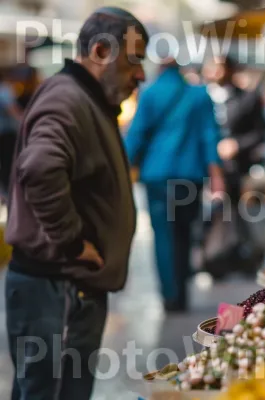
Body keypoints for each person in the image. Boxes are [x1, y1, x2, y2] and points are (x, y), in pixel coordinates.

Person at [4, 7, 147, 399]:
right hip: (57, 288)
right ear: (101, 51)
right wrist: (71, 242)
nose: (141, 74)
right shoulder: (68, 99)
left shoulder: (84, 98)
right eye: (133, 60)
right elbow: (39, 169)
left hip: (64, 290)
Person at [125, 58, 225, 312]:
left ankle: (170, 295)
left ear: (159, 70)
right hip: (189, 177)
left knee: (163, 236)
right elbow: (209, 136)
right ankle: (182, 292)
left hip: (157, 176)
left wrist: (121, 168)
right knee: (184, 233)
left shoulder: (149, 94)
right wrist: (216, 175)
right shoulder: (200, 95)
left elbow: (136, 135)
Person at [203, 55, 265, 272]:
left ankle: (239, 256)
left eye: (220, 67)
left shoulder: (247, 98)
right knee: (213, 213)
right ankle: (215, 258)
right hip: (207, 170)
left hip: (237, 168)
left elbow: (260, 132)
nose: (215, 72)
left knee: (238, 213)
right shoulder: (199, 98)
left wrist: (236, 145)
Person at [0, 69, 22, 197]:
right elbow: (13, 110)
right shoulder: (4, 90)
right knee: (8, 163)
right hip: (7, 133)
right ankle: (7, 194)